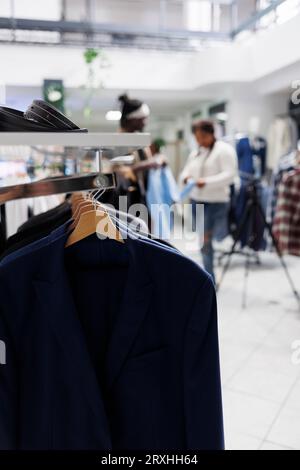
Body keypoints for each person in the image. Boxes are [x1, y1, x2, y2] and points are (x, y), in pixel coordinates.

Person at [180, 120, 238, 283]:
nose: (200, 141)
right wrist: (186, 178)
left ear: (212, 133)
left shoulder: (224, 151)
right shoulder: (196, 152)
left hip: (215, 202)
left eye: (203, 137)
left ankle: (209, 278)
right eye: (197, 138)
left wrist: (205, 181)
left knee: (205, 241)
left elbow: (229, 175)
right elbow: (186, 171)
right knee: (202, 240)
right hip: (197, 200)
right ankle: (207, 274)